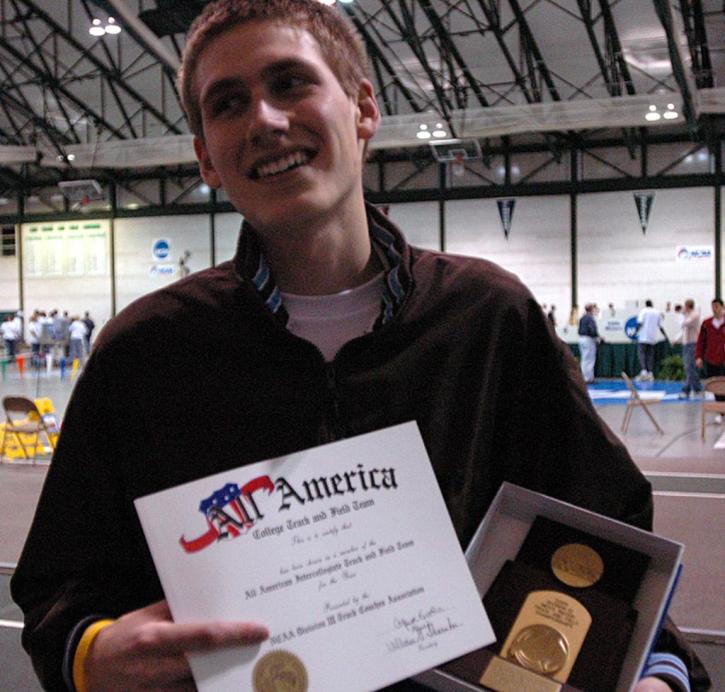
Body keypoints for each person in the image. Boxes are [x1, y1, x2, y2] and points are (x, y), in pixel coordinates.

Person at [11, 2, 708, 692]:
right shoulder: (144, 351)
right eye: (228, 103)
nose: (264, 120)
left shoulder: (489, 320)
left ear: (363, 108)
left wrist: (655, 676)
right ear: (205, 157)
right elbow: (61, 589)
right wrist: (93, 654)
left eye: (290, 83)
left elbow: (610, 545)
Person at [696, 298, 725, 421]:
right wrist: (698, 357)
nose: (714, 309)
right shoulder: (706, 323)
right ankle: (720, 412)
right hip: (711, 359)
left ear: (722, 307)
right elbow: (700, 342)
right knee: (716, 386)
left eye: (717, 306)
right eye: (713, 306)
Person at [635, 300, 667, 381]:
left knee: (642, 354)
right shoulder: (657, 312)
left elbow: (640, 323)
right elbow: (660, 326)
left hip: (643, 337)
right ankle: (650, 373)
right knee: (650, 355)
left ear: (645, 305)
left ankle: (644, 371)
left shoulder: (644, 311)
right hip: (652, 337)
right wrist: (665, 336)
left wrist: (635, 331)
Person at [678, 299, 702, 399]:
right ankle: (694, 389)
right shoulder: (688, 315)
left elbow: (684, 324)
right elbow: (683, 330)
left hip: (693, 343)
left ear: (688, 306)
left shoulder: (694, 315)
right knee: (689, 367)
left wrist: (682, 314)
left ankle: (689, 389)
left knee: (689, 366)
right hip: (687, 343)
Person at [578, 303, 600, 384]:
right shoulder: (590, 318)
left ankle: (586, 377)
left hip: (581, 339)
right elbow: (592, 330)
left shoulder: (582, 318)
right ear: (591, 309)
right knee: (589, 359)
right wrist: (598, 337)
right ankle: (587, 378)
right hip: (588, 339)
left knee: (584, 359)